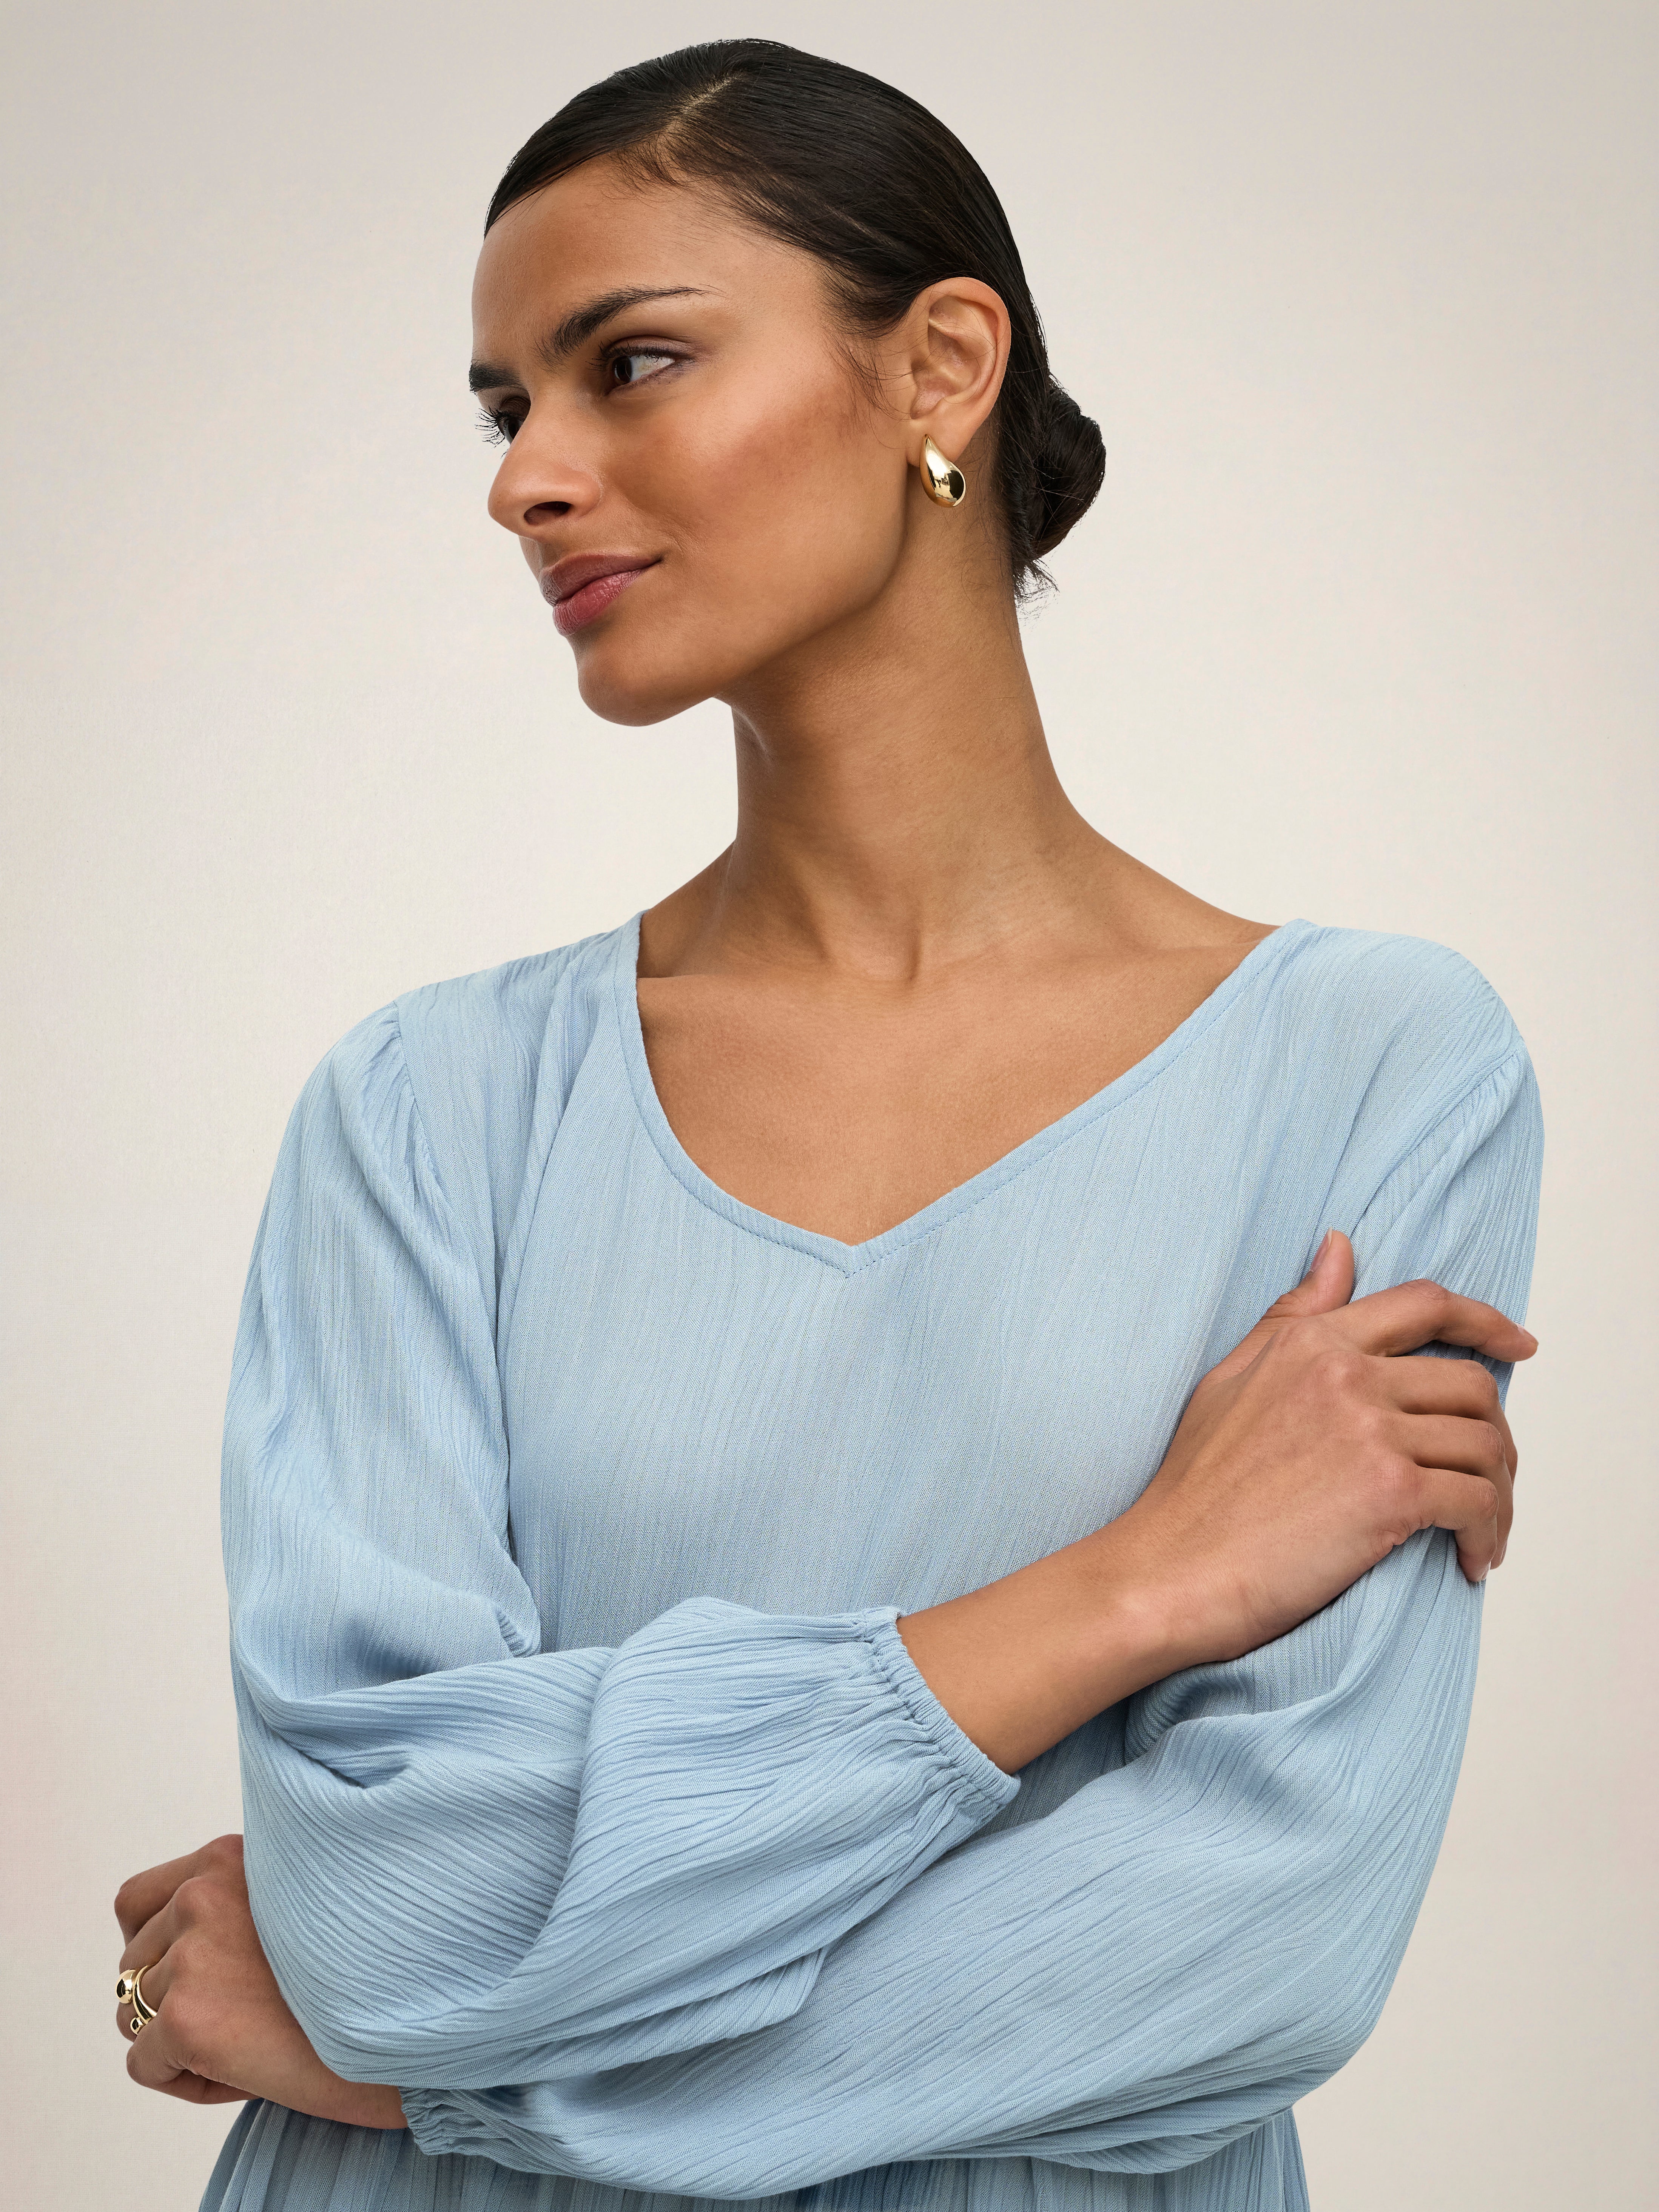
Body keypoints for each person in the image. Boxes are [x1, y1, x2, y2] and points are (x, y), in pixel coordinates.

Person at [111, 40, 1543, 2212]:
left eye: (633, 362)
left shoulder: (1372, 1065)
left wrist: (442, 2081)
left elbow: (1258, 1941)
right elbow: (391, 1901)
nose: (528, 479)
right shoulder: (428, 1108)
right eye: (508, 411)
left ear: (940, 365)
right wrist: (1131, 1587)